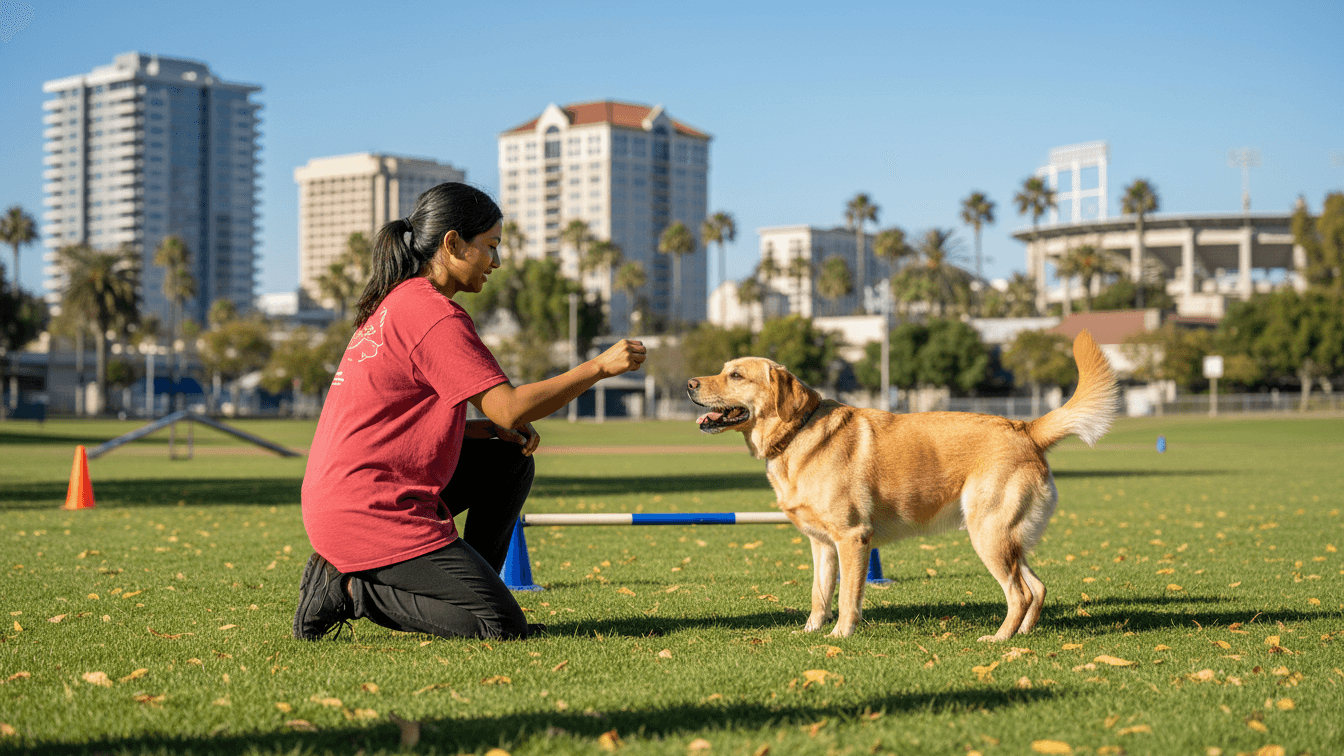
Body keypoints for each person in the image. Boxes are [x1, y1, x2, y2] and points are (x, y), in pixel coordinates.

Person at [294, 182, 646, 641]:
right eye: (491, 247)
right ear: (452, 243)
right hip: (368, 509)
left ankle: (469, 583)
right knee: (499, 626)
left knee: (507, 459)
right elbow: (510, 408)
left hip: (341, 500)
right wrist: (599, 366)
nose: (496, 263)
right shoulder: (432, 314)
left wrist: (484, 432)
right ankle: (349, 589)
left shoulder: (398, 302)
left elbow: (401, 416)